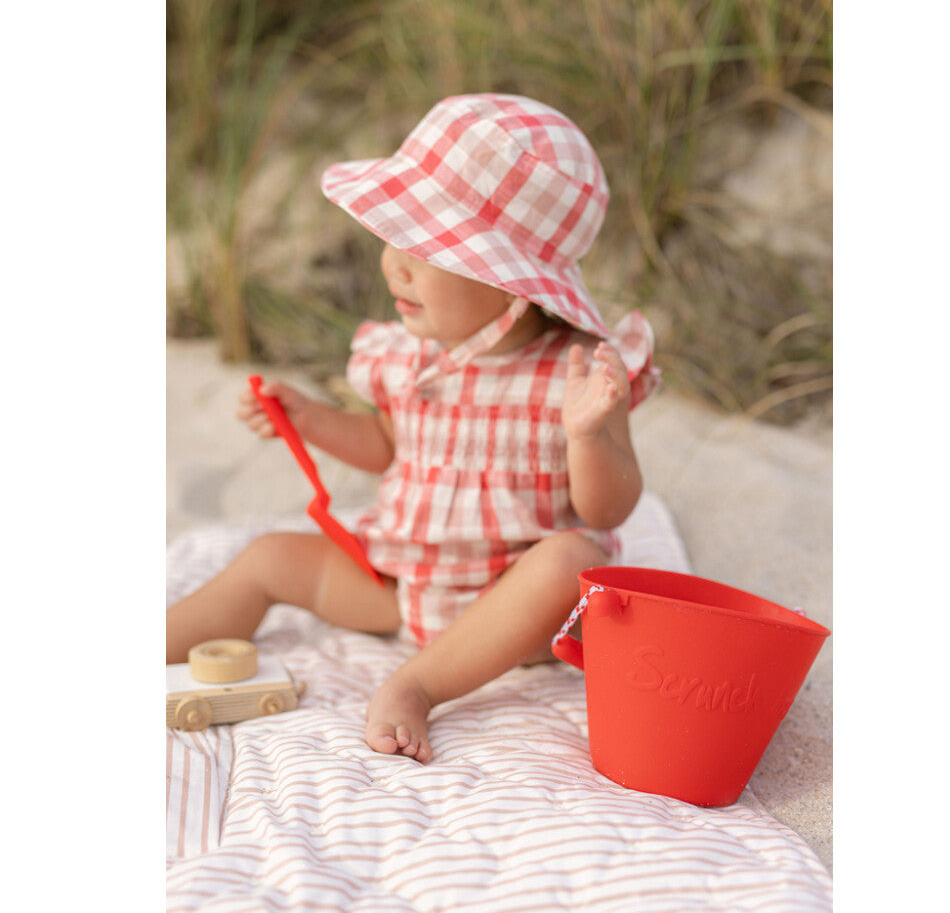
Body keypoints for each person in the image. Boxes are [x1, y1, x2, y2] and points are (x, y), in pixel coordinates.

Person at [166, 93, 660, 763]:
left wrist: (587, 436)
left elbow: (609, 508)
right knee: (268, 558)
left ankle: (417, 686)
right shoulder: (406, 353)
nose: (392, 264)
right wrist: (310, 419)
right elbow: (387, 447)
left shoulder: (580, 373)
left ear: (511, 284)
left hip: (513, 608)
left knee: (571, 561)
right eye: (393, 239)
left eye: (425, 249)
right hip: (402, 583)